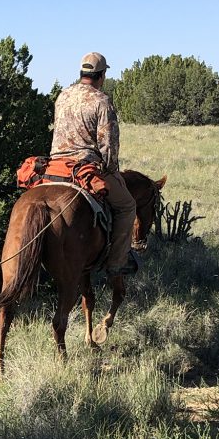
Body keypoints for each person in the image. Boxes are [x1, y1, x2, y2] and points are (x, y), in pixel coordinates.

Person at [50, 52, 137, 275]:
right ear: (102, 75)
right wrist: (110, 168)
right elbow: (109, 145)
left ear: (82, 73)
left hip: (55, 166)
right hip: (85, 167)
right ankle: (116, 262)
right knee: (127, 206)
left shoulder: (63, 96)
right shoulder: (101, 101)